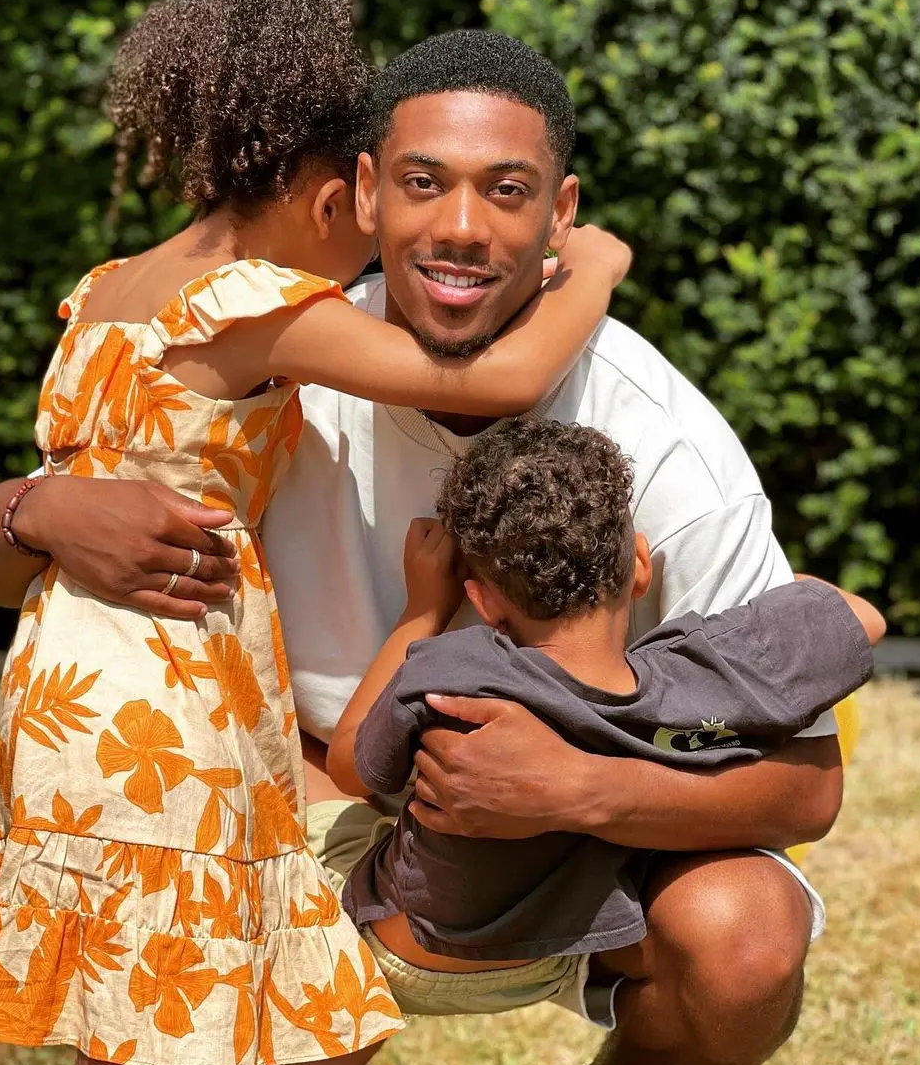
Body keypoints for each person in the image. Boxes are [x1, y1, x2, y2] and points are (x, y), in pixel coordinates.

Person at [0, 28, 849, 1065]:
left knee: (747, 933)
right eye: (425, 182)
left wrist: (581, 789)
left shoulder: (665, 446)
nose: (465, 227)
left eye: (509, 190)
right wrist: (33, 512)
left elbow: (809, 788)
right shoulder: (287, 361)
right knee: (208, 858)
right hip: (326, 811)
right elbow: (0, 555)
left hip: (594, 852)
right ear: (362, 192)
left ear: (562, 213)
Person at [0, 0, 631, 1065]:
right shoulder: (254, 308)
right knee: (146, 1062)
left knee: (308, 1025)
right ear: (325, 184)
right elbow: (506, 369)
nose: (385, 236)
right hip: (160, 718)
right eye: (378, 199)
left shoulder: (105, 288)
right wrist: (601, 263)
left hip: (79, 695)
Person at [328, 418, 881, 997]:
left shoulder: (453, 670)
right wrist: (766, 619)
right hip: (557, 954)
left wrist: (422, 612)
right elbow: (864, 618)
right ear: (640, 567)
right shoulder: (704, 679)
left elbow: (350, 763)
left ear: (483, 601)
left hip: (415, 954)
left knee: (307, 817)